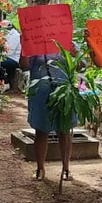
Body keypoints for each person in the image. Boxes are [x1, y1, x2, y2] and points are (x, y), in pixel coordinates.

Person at [22, 48, 75, 182]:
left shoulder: (66, 42)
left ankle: (66, 168)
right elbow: (24, 66)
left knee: (64, 131)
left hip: (64, 93)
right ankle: (40, 168)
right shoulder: (35, 43)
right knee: (41, 131)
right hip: (40, 93)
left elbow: (82, 66)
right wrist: (25, 48)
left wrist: (75, 54)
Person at [0, 19, 22, 90]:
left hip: (13, 59)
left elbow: (10, 51)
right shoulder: (8, 35)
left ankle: (5, 82)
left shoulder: (15, 36)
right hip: (7, 57)